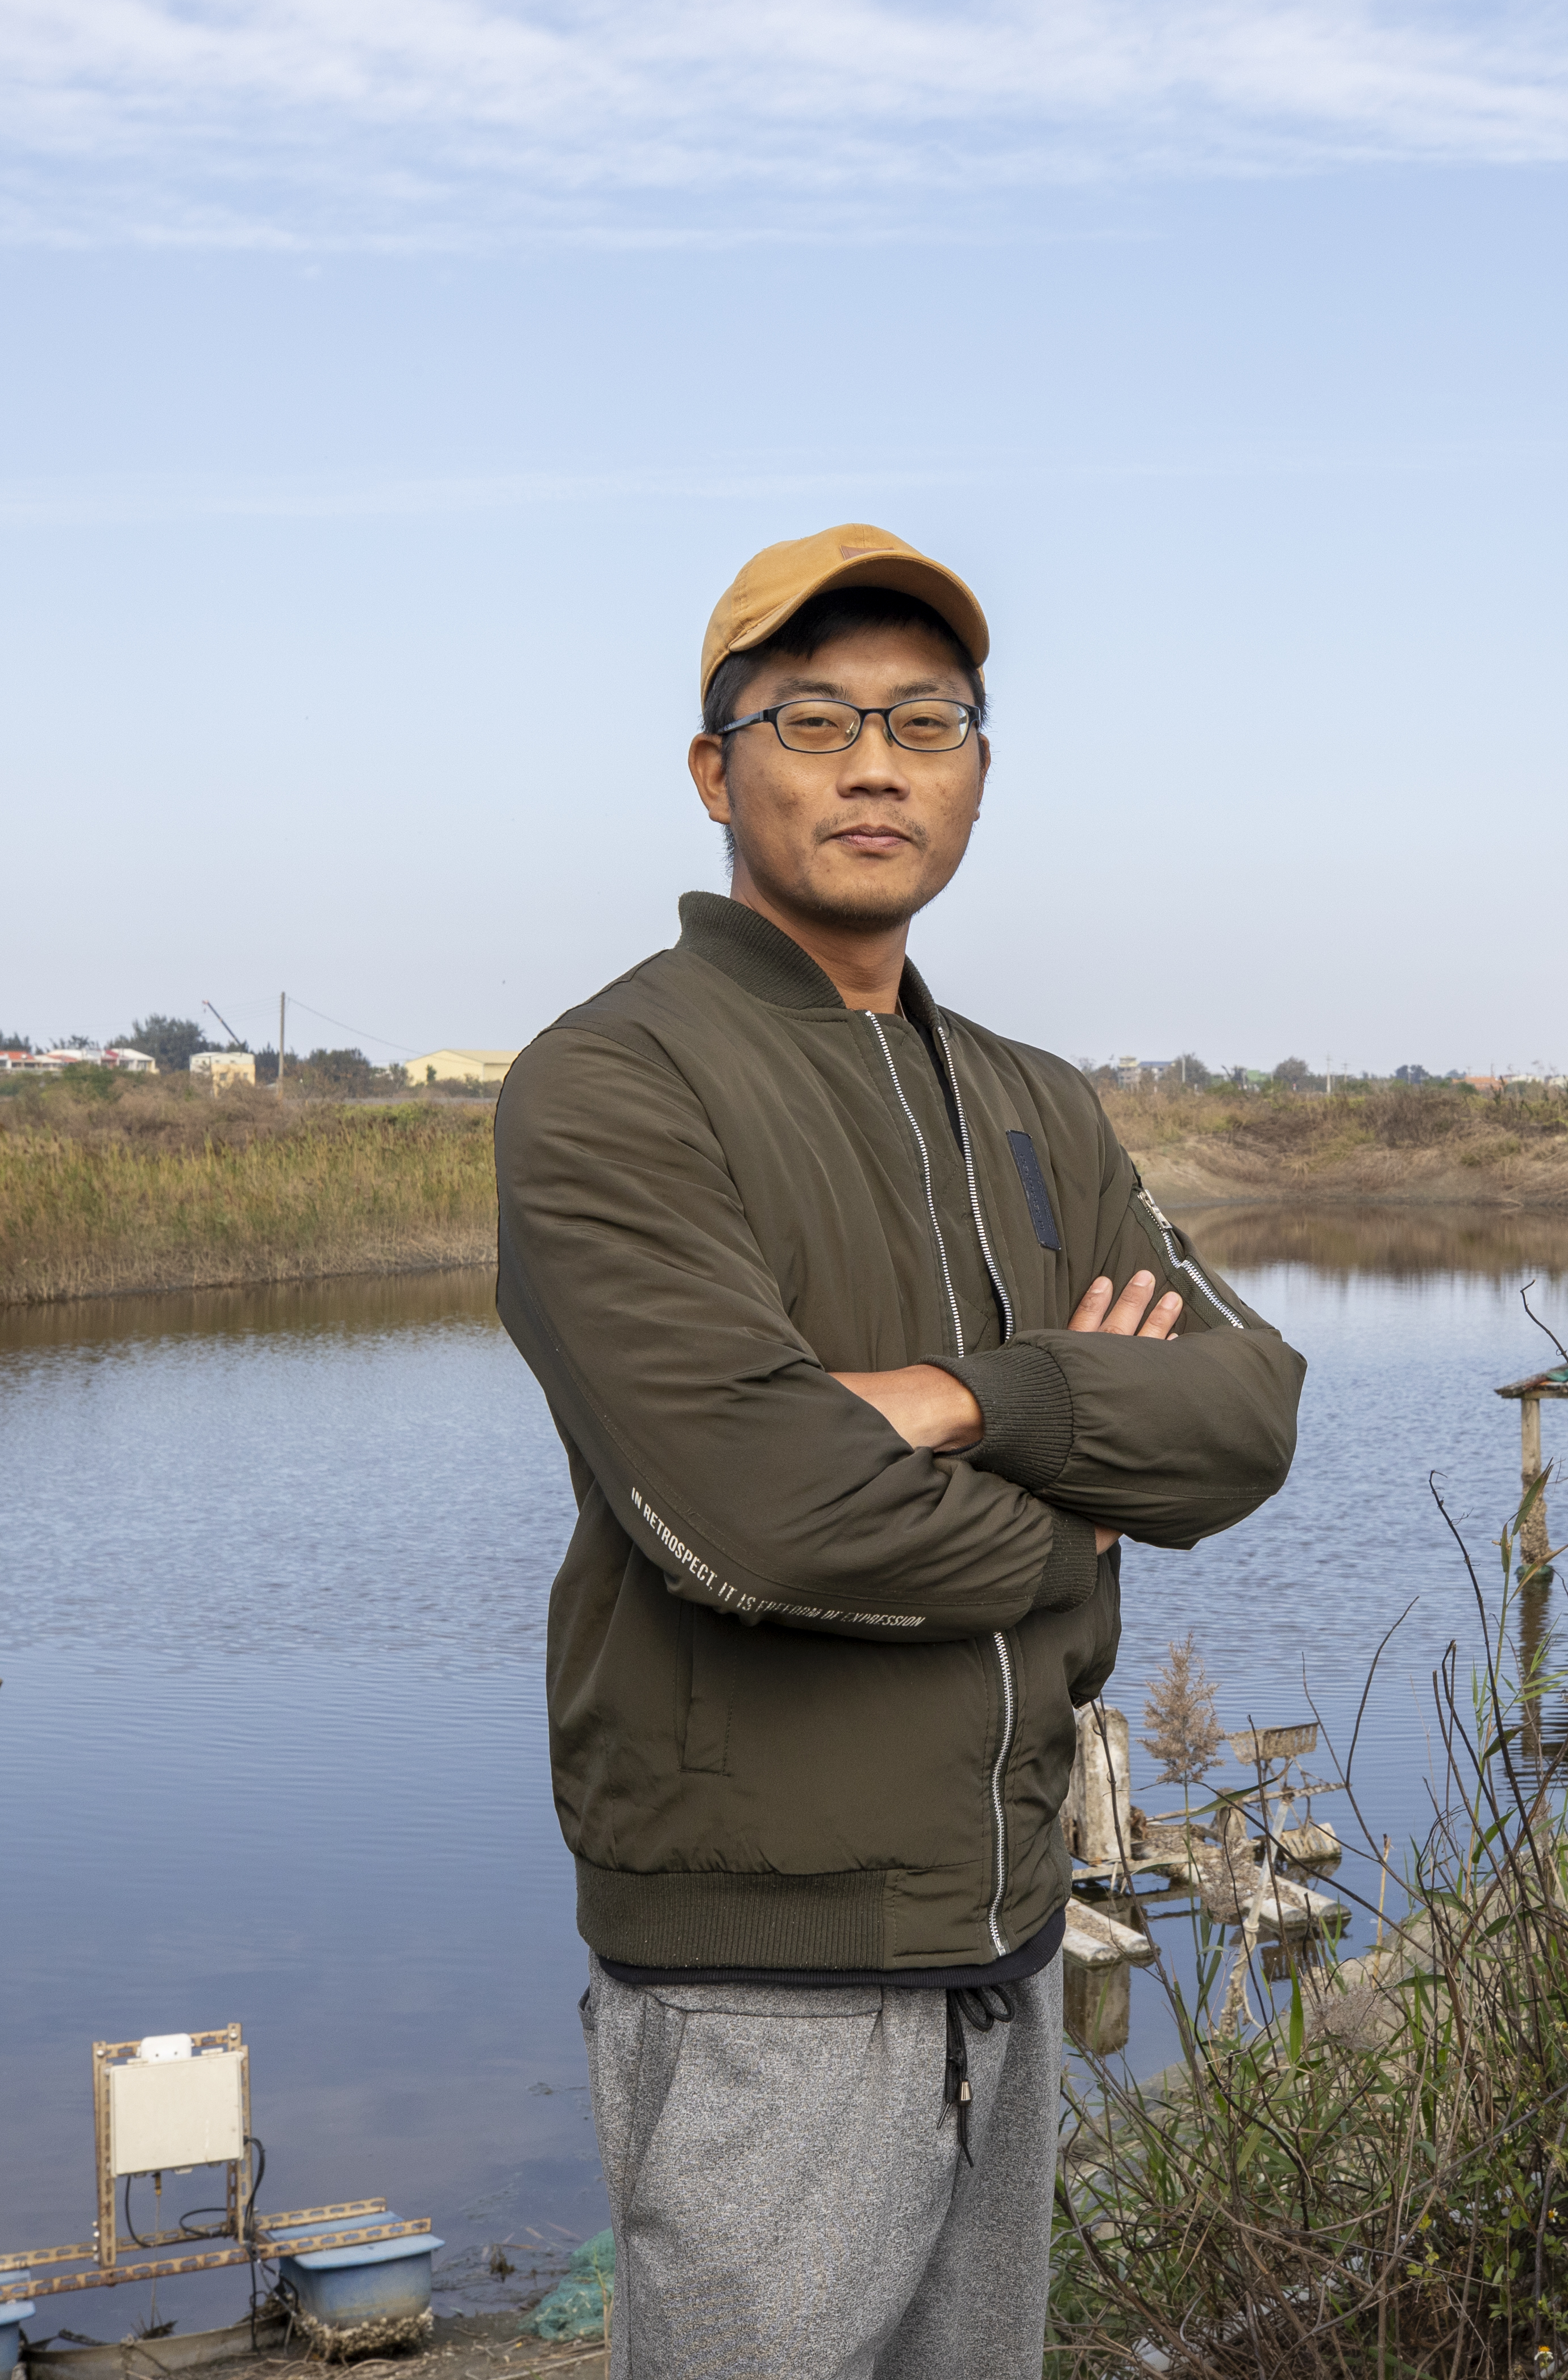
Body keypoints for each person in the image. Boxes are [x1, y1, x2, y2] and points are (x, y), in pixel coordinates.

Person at [493, 524, 1307, 2376]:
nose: (876, 762)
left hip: (1007, 1932)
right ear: (716, 768)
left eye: (924, 720)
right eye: (814, 717)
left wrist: (973, 1402)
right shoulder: (617, 1080)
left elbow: (1248, 1407)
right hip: (755, 1968)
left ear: (977, 773)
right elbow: (759, 1510)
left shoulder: (1033, 1101)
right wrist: (1083, 1524)